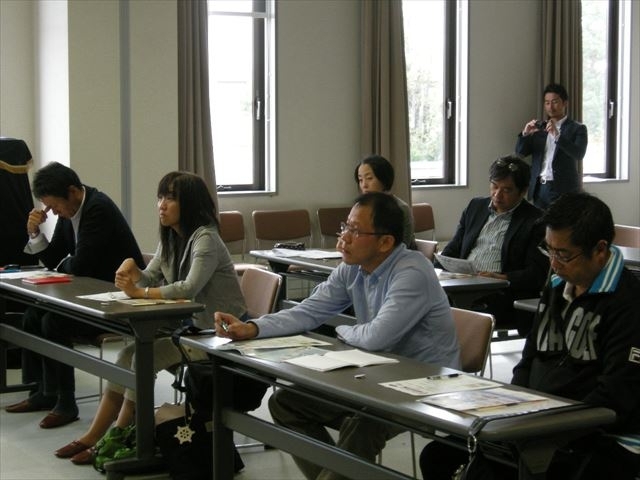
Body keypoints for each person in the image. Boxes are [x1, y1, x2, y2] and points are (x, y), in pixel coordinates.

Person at [216, 192, 461, 480]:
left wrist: (340, 331)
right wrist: (254, 328)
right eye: (345, 226)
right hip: (378, 375)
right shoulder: (352, 268)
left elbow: (375, 337)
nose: (343, 237)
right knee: (286, 404)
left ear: (385, 242)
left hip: (425, 383)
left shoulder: (412, 272)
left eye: (355, 231)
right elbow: (308, 311)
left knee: (363, 424)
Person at [420, 192, 640, 480]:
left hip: (598, 432)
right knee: (437, 456)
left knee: (488, 474)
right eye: (549, 250)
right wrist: (512, 408)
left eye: (563, 254)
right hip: (538, 419)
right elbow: (530, 357)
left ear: (600, 250)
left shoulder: (629, 302)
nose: (553, 264)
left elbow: (616, 396)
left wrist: (538, 426)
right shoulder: (558, 284)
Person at [53, 171, 247, 464]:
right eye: (160, 197)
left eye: (170, 198)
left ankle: (119, 436)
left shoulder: (206, 238)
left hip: (218, 336)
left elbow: (188, 288)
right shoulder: (171, 236)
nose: (161, 205)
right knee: (127, 355)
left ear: (190, 203)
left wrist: (139, 292)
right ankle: (93, 436)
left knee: (143, 359)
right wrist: (134, 270)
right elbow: (151, 277)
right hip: (189, 331)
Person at [5, 162, 144, 429]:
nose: (54, 212)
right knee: (32, 316)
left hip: (118, 301)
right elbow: (56, 258)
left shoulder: (98, 209)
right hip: (89, 295)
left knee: (53, 322)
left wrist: (64, 264)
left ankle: (66, 403)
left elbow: (80, 265)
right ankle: (44, 392)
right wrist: (34, 233)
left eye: (55, 206)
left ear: (72, 192)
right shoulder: (70, 211)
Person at [438, 155, 549, 335]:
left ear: (523, 191)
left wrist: (501, 277)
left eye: (507, 190)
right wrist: (439, 266)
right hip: (463, 283)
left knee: (453, 314)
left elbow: (536, 274)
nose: (497, 194)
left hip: (500, 292)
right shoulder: (475, 206)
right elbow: (454, 247)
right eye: (494, 186)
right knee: (426, 301)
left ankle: (464, 350)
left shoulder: (535, 220)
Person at [515, 83, 588, 210]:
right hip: (539, 188)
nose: (550, 107)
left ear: (565, 103)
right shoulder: (540, 128)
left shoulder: (577, 128)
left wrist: (557, 136)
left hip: (563, 189)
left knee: (561, 222)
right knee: (539, 222)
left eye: (555, 102)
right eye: (547, 103)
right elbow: (520, 153)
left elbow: (579, 154)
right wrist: (525, 133)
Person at [355, 155, 416, 248]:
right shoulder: (359, 207)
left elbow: (402, 246)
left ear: (384, 179)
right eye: (360, 180)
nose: (364, 185)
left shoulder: (400, 208)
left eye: (369, 178)